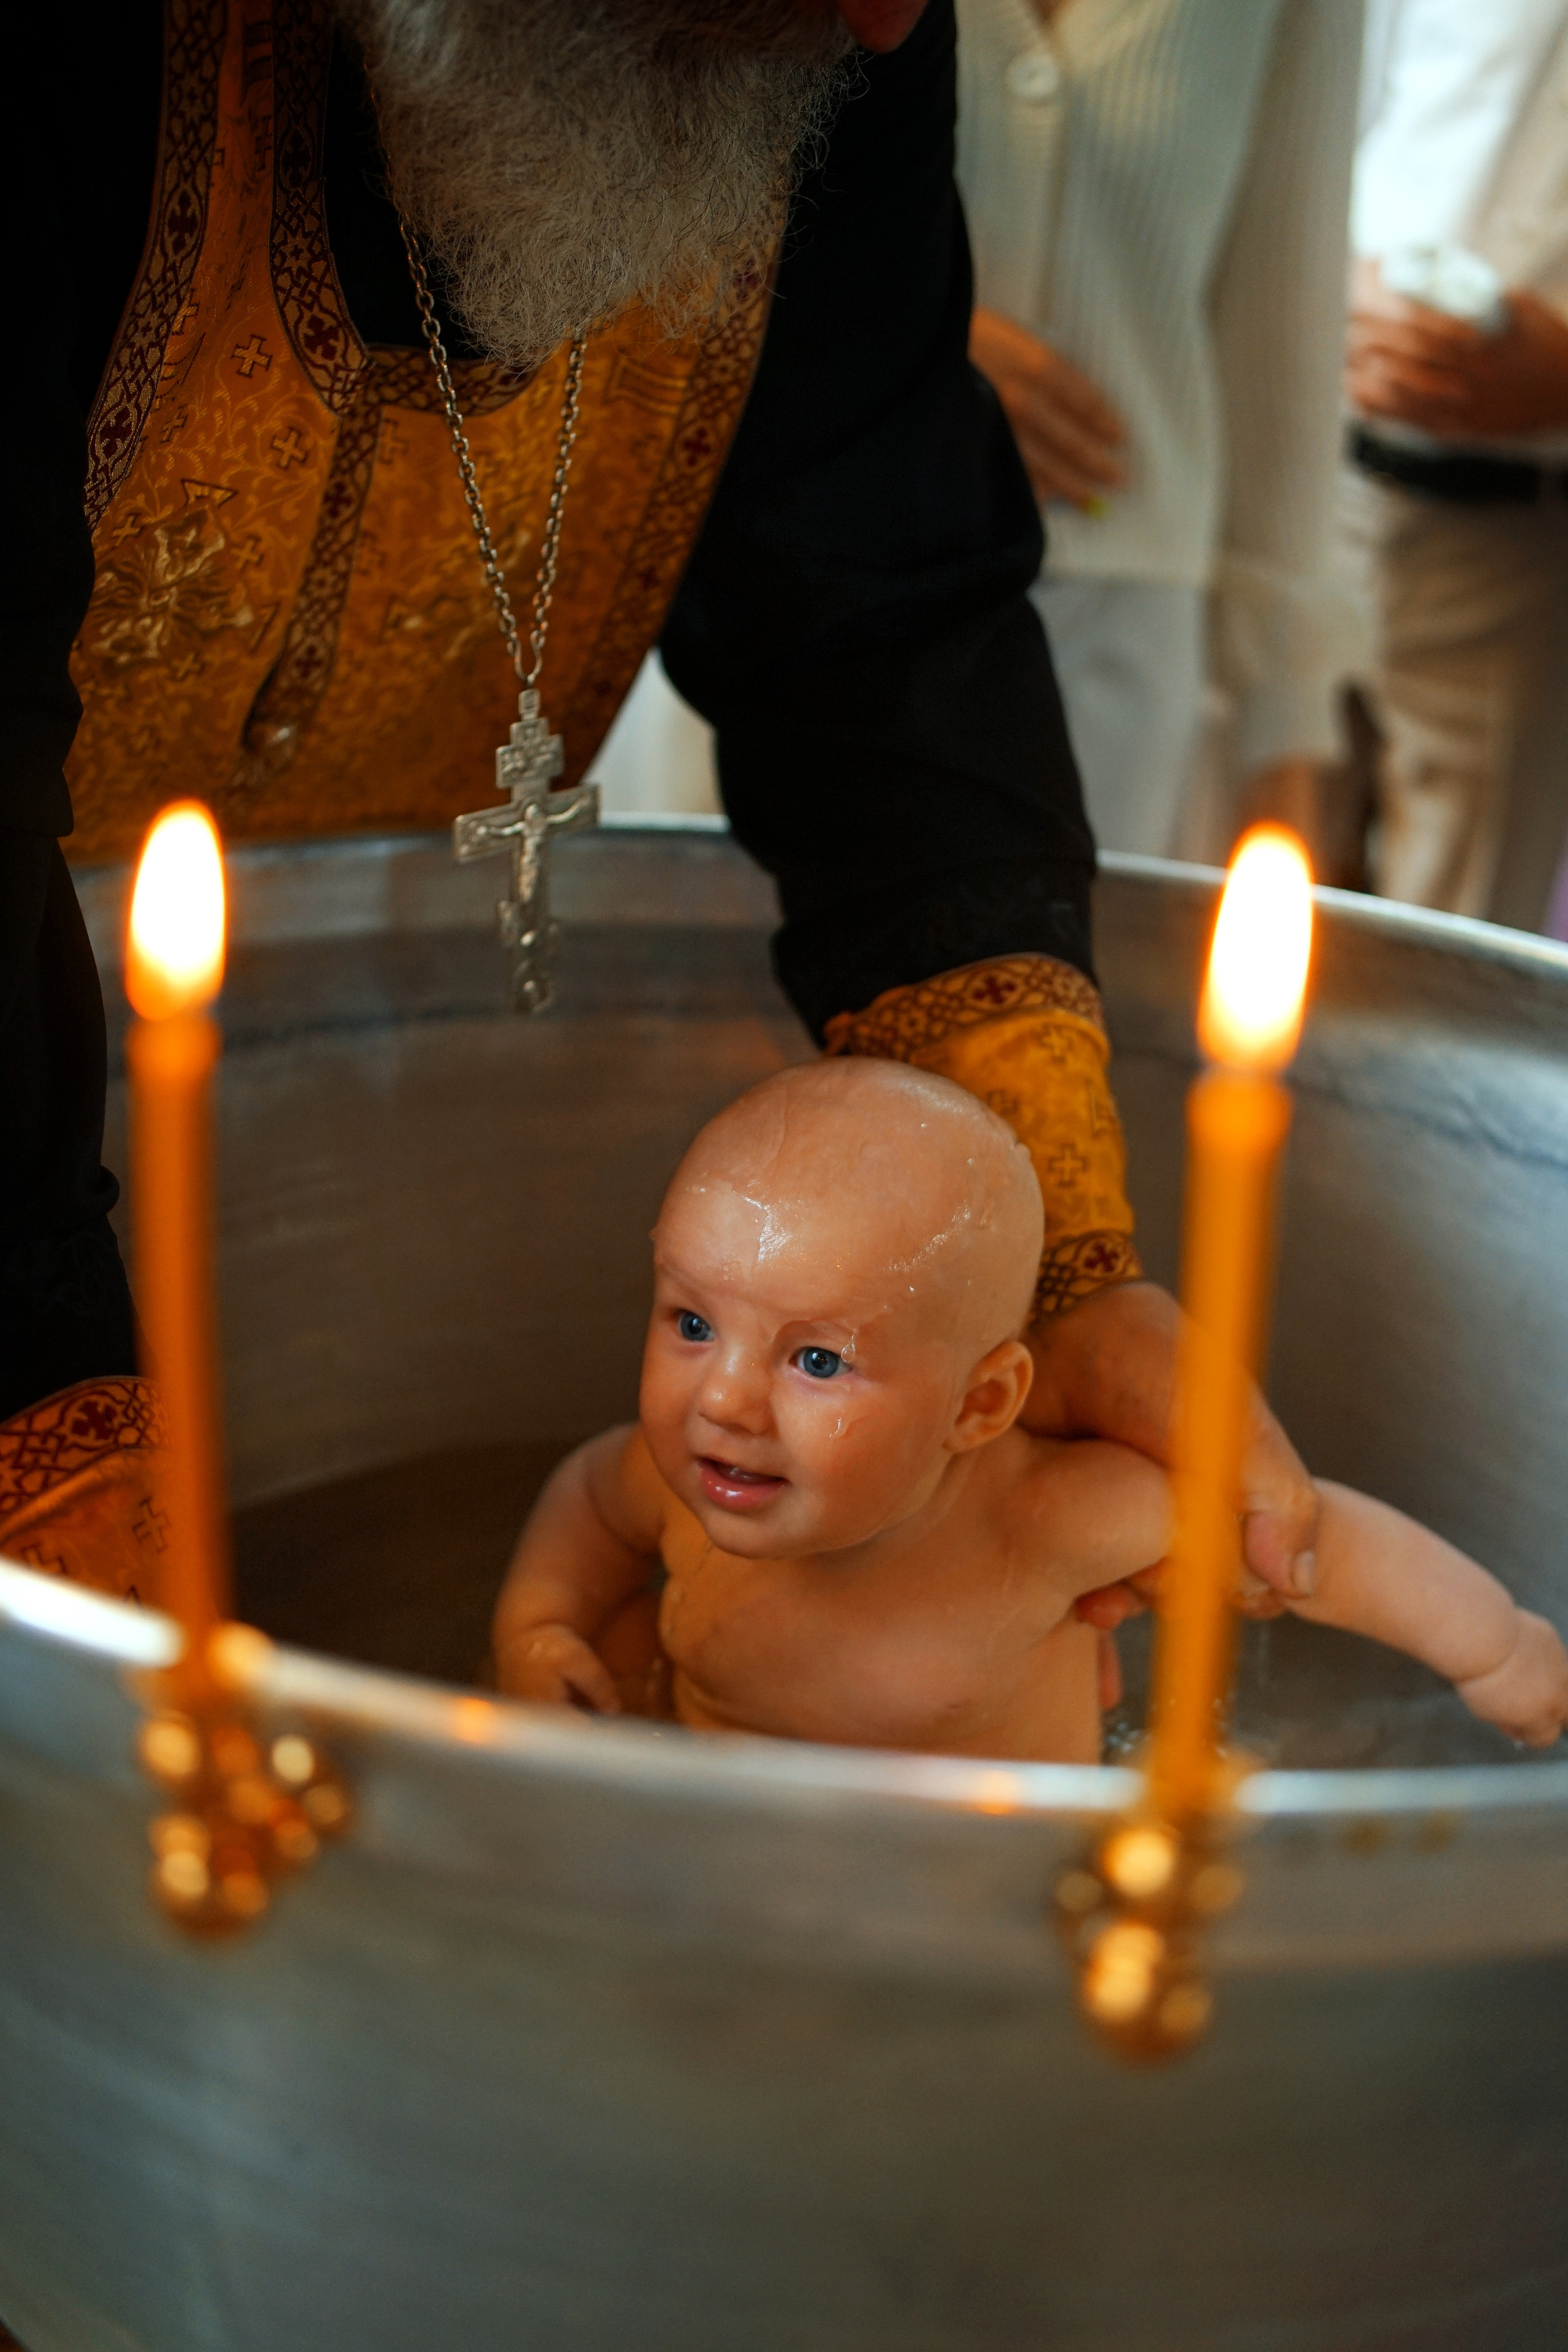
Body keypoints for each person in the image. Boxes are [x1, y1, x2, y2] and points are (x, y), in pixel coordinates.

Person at [1, 0, 1319, 1622]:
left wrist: (1054, 1279)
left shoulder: (831, 27)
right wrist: (57, 1484)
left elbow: (875, 615)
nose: (891, 14)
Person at [494, 1060, 1568, 1758]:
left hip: (995, 1892)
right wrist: (537, 1627)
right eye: (690, 1325)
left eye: (817, 1361)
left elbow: (1296, 1545)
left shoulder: (1043, 1523)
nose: (723, 1400)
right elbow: (588, 1500)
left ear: (982, 1402)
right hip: (737, 1853)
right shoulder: (676, 1481)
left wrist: (1495, 1648)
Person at [956, 0, 1363, 862]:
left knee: (1078, 983)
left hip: (1117, 647)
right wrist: (897, 333)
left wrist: (1282, 731)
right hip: (787, 583)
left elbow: (1283, 330)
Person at [1338, 0, 1568, 928]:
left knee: (1454, 955)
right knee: (1225, 883)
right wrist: (1326, 273)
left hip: (1519, 535)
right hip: (1318, 477)